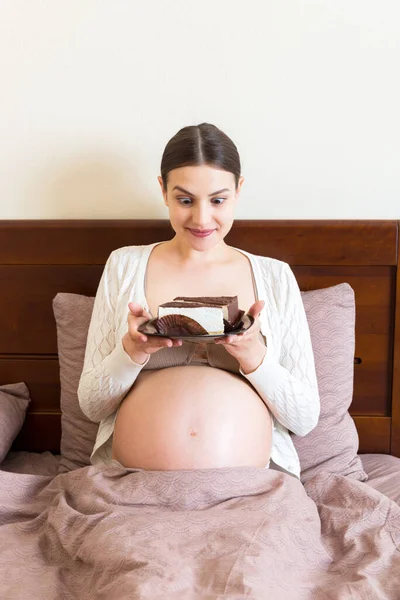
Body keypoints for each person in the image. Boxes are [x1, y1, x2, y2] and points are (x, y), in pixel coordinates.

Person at [77, 122, 320, 480]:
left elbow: (304, 418)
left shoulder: (275, 277)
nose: (202, 219)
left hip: (252, 490)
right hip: (131, 487)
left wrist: (254, 357)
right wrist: (132, 351)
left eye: (218, 200)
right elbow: (93, 406)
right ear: (163, 190)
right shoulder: (124, 265)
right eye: (185, 200)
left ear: (239, 190)